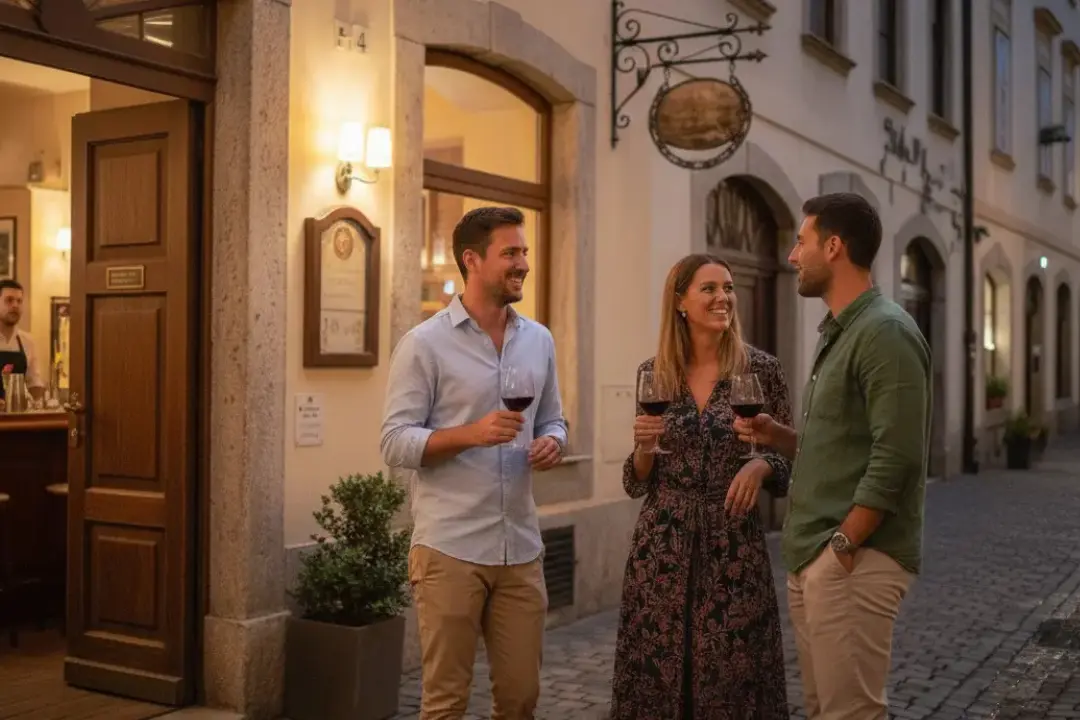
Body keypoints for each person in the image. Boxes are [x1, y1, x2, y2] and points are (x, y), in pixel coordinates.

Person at [734, 193, 931, 720]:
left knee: (851, 714)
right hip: (816, 556)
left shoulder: (885, 332)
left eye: (802, 242)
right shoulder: (841, 330)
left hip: (852, 559)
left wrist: (841, 547)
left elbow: (899, 457)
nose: (793, 256)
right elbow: (845, 447)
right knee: (826, 712)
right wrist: (779, 437)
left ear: (835, 247)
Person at [381, 206, 568, 720]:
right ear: (471, 260)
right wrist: (471, 434)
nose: (524, 263)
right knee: (445, 702)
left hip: (521, 549)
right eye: (511, 252)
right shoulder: (424, 344)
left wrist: (553, 442)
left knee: (521, 698)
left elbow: (555, 420)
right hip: (450, 549)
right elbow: (395, 442)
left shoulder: (539, 340)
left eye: (524, 252)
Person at [610, 253, 792, 720]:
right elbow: (636, 480)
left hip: (732, 546)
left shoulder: (761, 370)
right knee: (660, 674)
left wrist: (761, 467)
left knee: (731, 679)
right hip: (662, 549)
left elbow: (790, 458)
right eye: (709, 288)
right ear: (680, 302)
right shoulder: (655, 373)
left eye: (727, 288)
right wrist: (645, 449)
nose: (723, 298)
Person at [0, 279, 45, 408]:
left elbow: (34, 382)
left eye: (19, 301)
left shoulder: (27, 341)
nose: (15, 305)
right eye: (9, 300)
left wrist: (37, 401)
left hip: (18, 417)